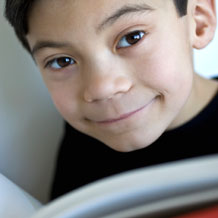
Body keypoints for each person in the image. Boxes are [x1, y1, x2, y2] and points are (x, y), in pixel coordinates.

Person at [4, 0, 218, 200]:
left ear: (199, 22)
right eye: (62, 61)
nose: (102, 89)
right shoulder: (82, 148)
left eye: (132, 38)